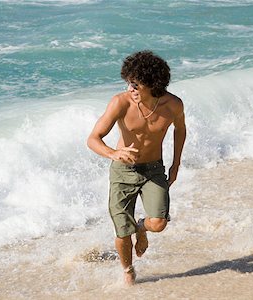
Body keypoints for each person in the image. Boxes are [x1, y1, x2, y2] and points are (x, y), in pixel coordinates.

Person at [87, 50, 186, 285]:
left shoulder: (173, 105)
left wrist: (176, 164)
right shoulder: (120, 103)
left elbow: (180, 130)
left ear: (152, 84)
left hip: (154, 170)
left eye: (135, 84)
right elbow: (93, 138)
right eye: (128, 82)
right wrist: (114, 152)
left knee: (159, 223)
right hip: (123, 172)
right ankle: (128, 270)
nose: (129, 88)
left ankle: (141, 228)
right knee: (122, 231)